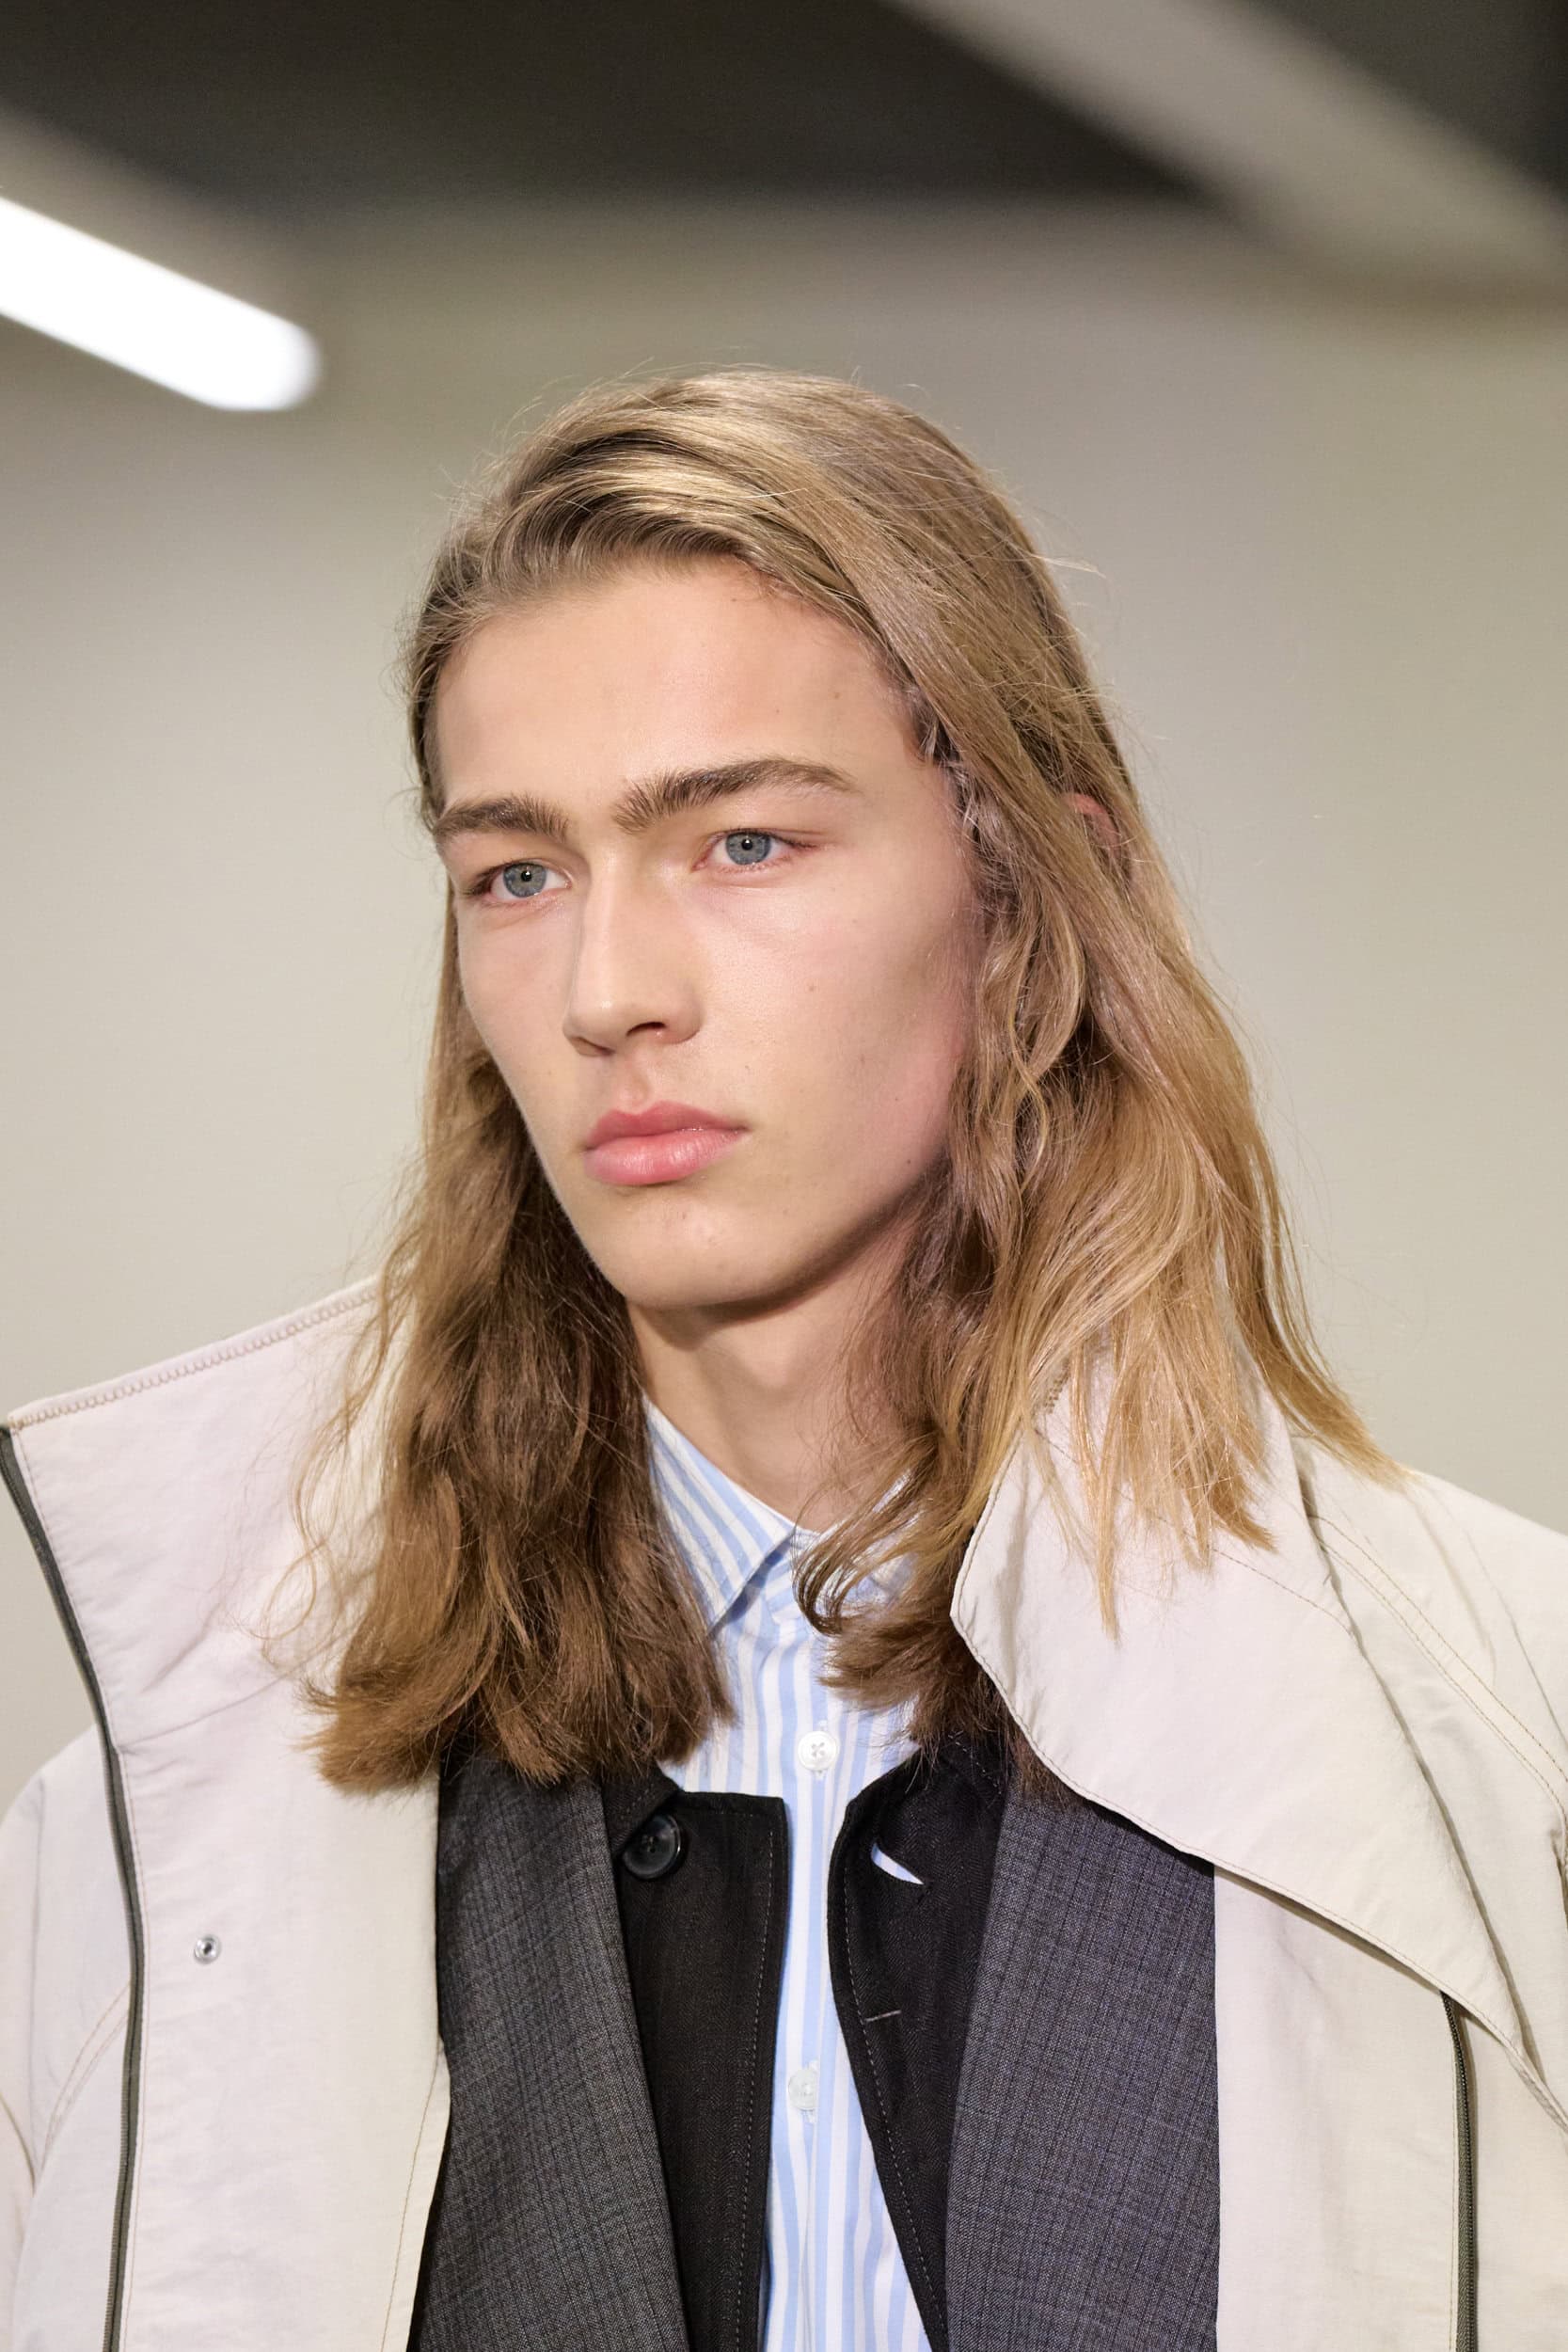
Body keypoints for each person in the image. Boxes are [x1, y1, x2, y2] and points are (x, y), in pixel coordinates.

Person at [1, 367, 1563, 2352]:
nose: (608, 992)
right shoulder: (152, 1843)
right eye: (518, 873)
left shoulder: (1514, 1745)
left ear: (1027, 895)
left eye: (742, 842)